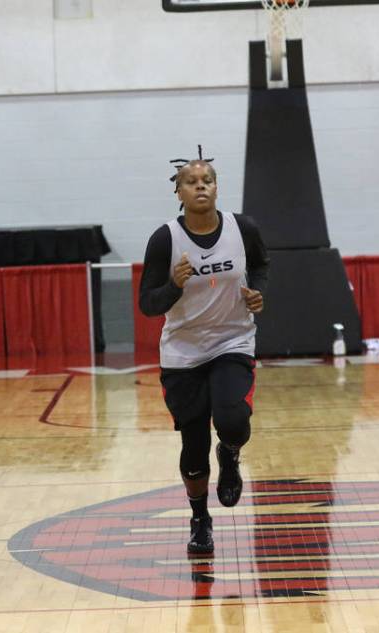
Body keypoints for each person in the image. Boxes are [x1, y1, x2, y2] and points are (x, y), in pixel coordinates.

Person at [139, 147, 270, 555]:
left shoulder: (242, 227)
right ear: (178, 192)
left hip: (232, 340)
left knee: (233, 420)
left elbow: (262, 266)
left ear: (217, 187)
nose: (200, 186)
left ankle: (229, 455)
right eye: (191, 182)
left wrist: (258, 293)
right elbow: (148, 304)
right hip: (183, 352)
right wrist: (174, 286)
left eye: (207, 180)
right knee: (193, 449)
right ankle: (199, 516)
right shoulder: (165, 239)